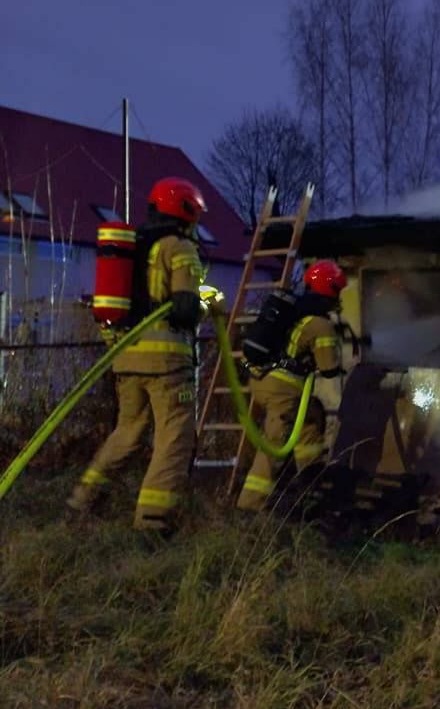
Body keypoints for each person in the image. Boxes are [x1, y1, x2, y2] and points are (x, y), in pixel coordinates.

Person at [68, 176, 207, 536]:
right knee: (174, 437)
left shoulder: (136, 247)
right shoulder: (179, 248)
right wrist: (207, 307)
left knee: (127, 432)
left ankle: (82, 499)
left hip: (126, 358)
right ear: (186, 211)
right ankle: (151, 521)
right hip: (167, 364)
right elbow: (185, 309)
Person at [236, 259, 347, 515]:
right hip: (282, 389)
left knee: (311, 415)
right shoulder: (321, 324)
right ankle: (249, 507)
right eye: (337, 291)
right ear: (330, 289)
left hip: (263, 380)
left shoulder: (297, 309)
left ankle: (310, 475)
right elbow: (329, 367)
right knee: (274, 444)